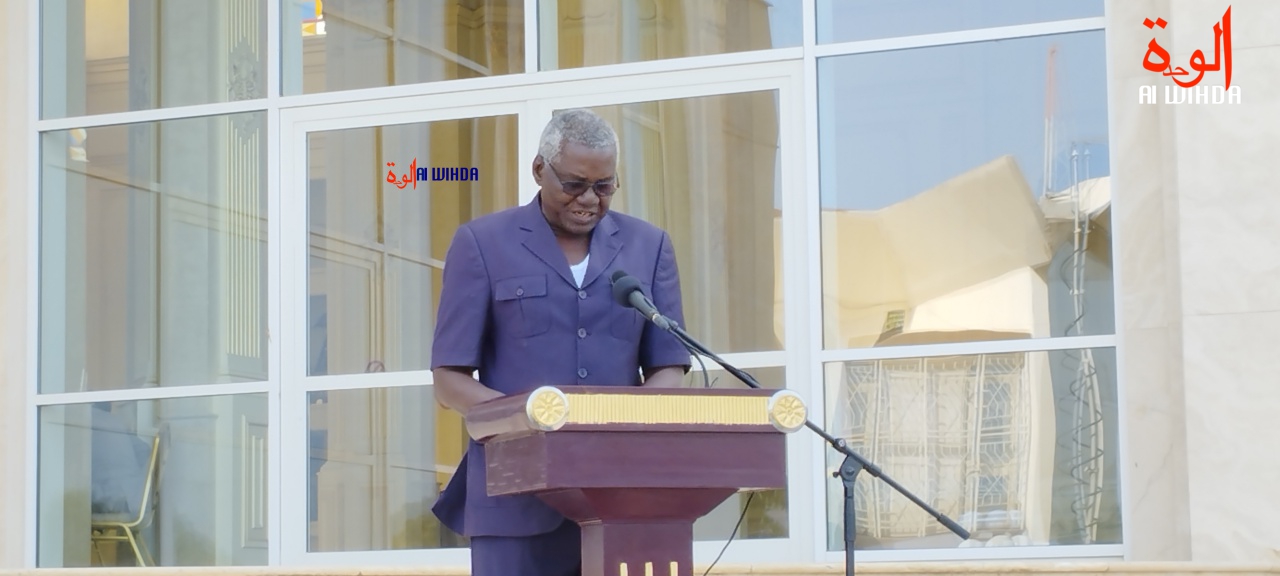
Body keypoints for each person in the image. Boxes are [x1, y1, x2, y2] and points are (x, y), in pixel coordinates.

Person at [430, 109, 692, 576]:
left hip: (621, 499)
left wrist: (633, 426)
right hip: (513, 498)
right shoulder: (482, 243)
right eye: (574, 184)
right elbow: (449, 378)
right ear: (539, 170)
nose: (589, 199)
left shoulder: (649, 246)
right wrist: (527, 419)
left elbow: (668, 365)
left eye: (604, 186)